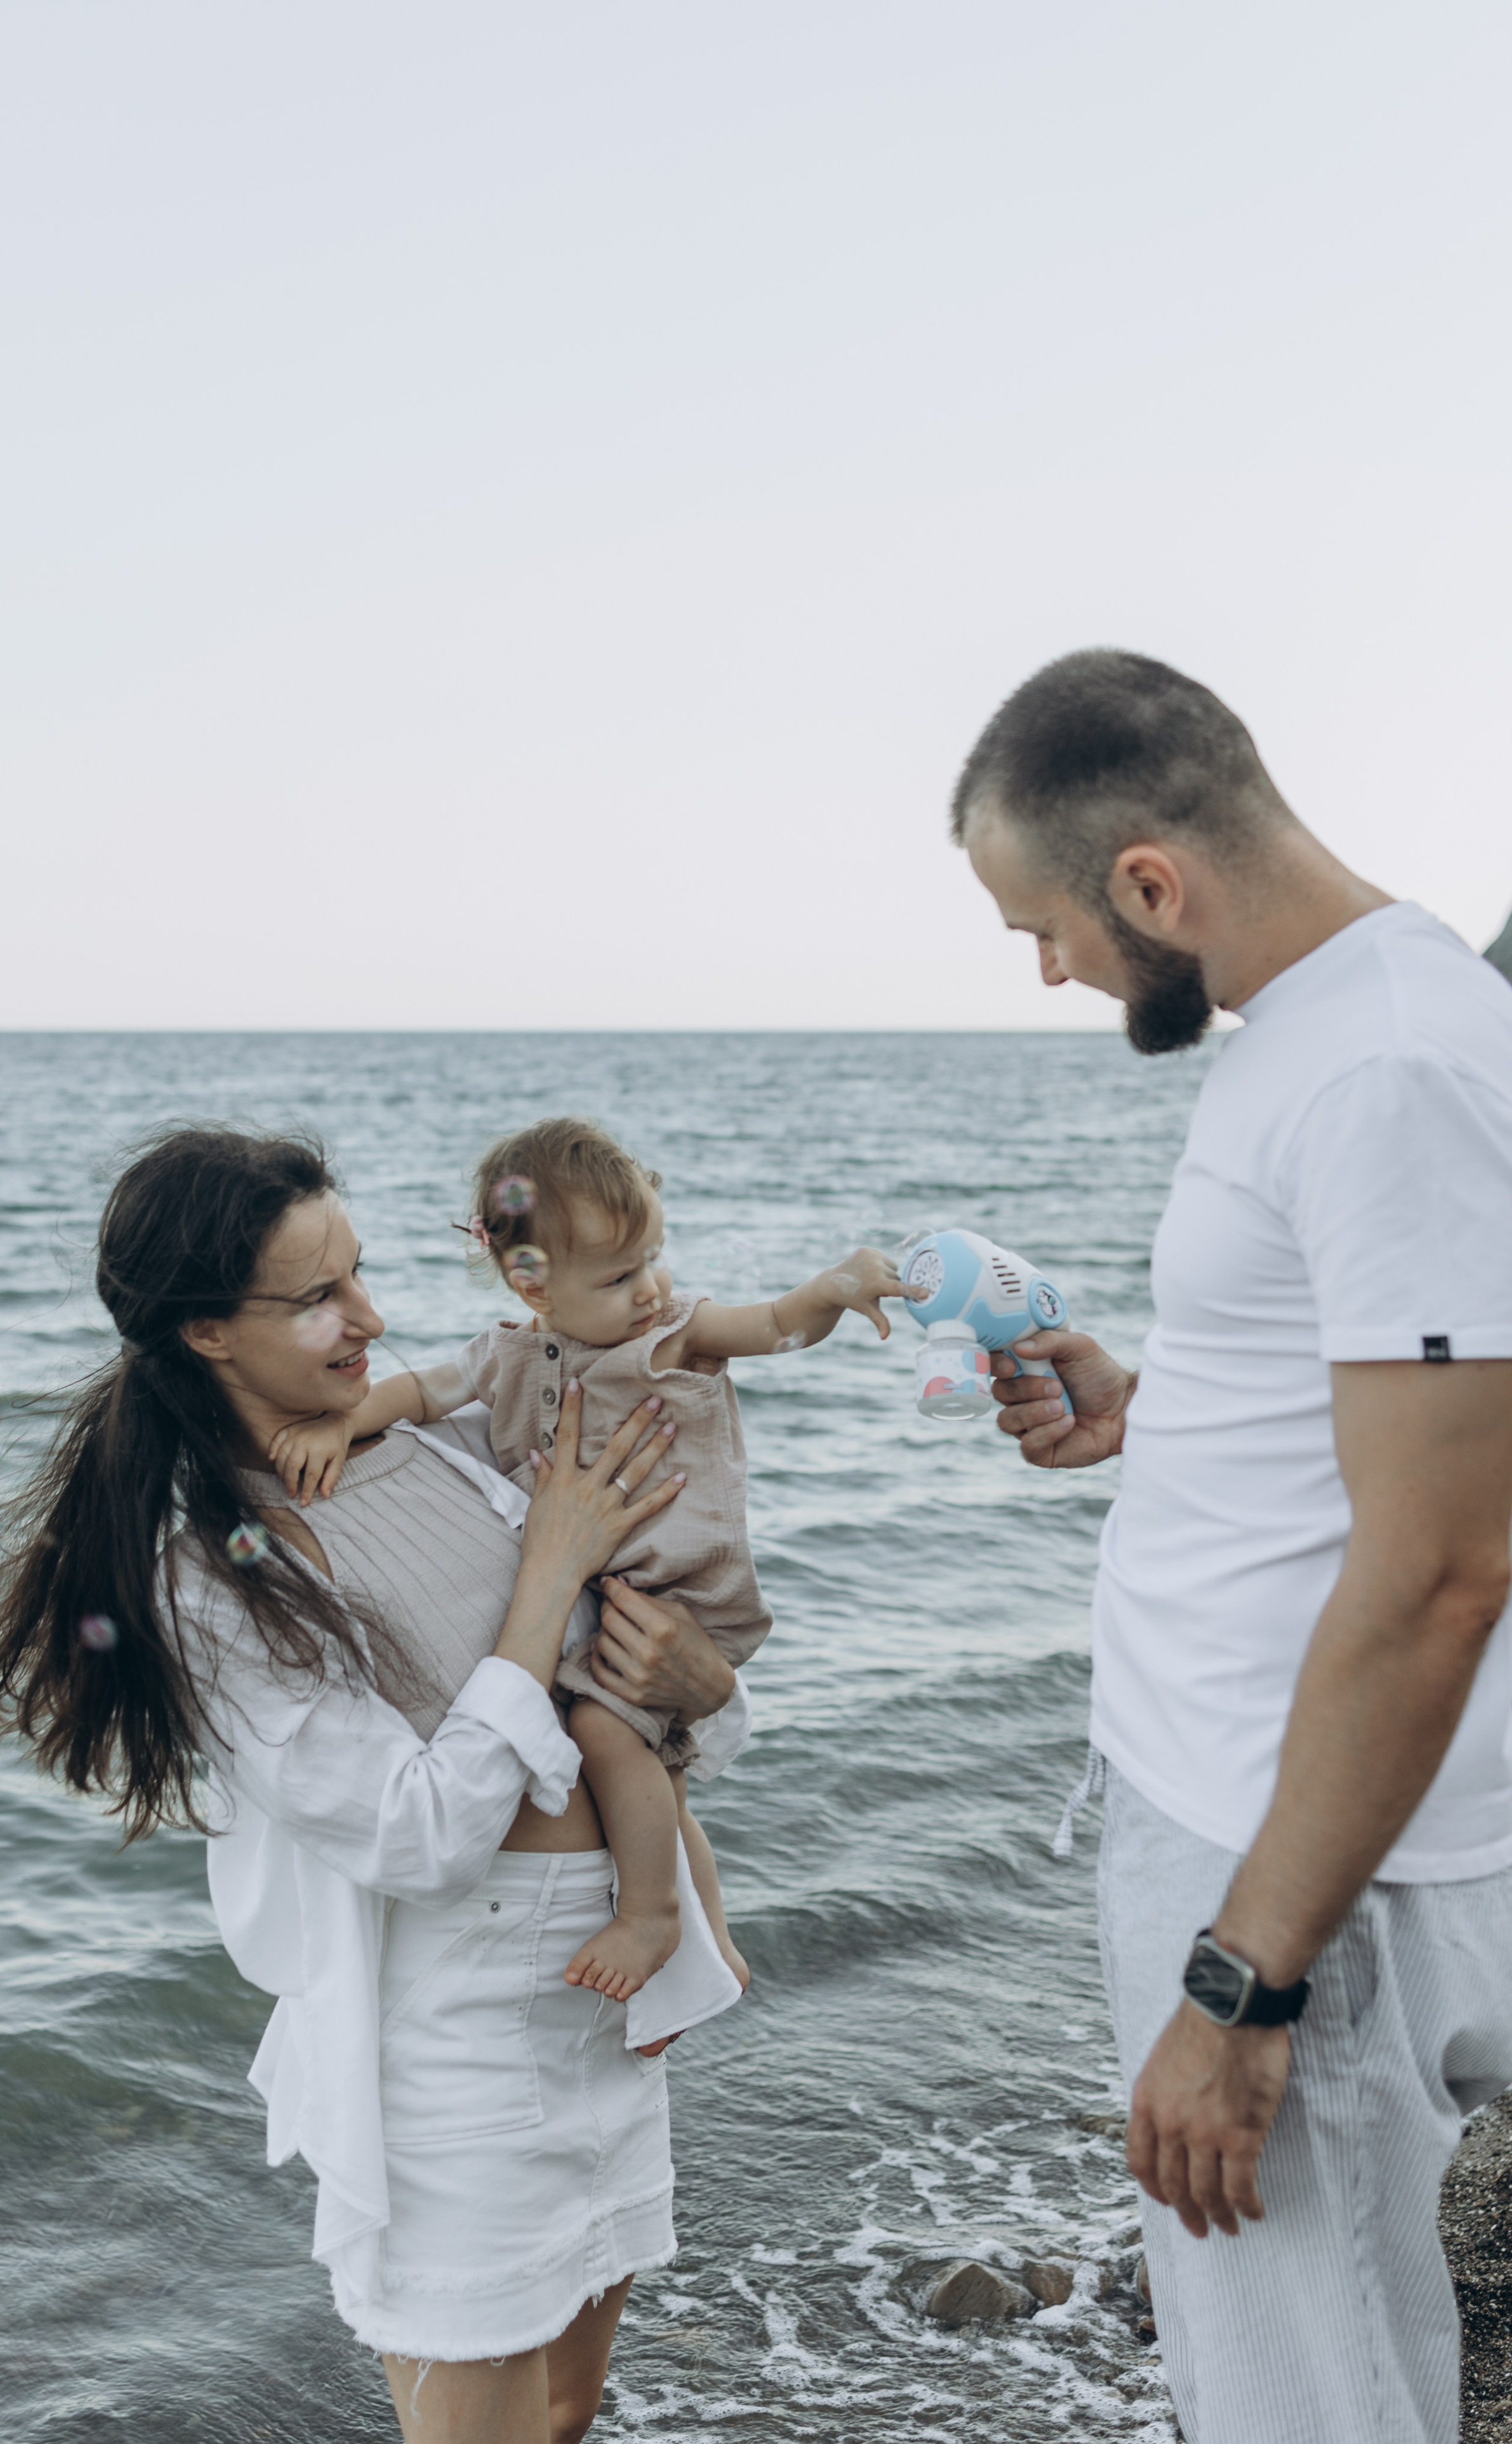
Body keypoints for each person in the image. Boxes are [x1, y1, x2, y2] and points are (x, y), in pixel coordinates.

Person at [0, 1125, 750, 2444]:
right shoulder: (208, 1572)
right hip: (460, 2035)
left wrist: (708, 1690)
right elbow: (416, 1836)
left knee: (567, 2410)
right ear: (206, 1330)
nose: (368, 1318)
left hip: (604, 1992)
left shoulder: (437, 1449)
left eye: (359, 1274)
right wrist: (546, 1575)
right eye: (317, 1297)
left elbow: (650, 1703)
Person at [955, 650, 1512, 2444]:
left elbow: (1444, 1564)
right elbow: (1399, 1420)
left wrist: (1243, 1985)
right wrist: (1161, 1407)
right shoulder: (1347, 1029)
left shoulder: (1389, 1068)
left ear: (1149, 884)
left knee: (1310, 2398)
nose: (1050, 973)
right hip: (1261, 1813)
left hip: (1297, 1865)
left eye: (1046, 927)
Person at [268, 1114, 914, 2009]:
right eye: (619, 1275)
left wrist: (834, 1289)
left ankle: (652, 1918)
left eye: (654, 1257)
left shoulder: (674, 1336)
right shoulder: (506, 1354)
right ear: (532, 1284)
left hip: (681, 1589)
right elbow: (419, 1392)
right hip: (613, 1596)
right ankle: (710, 1946)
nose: (650, 1287)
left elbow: (773, 1325)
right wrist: (346, 1420)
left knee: (608, 1737)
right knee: (665, 1783)